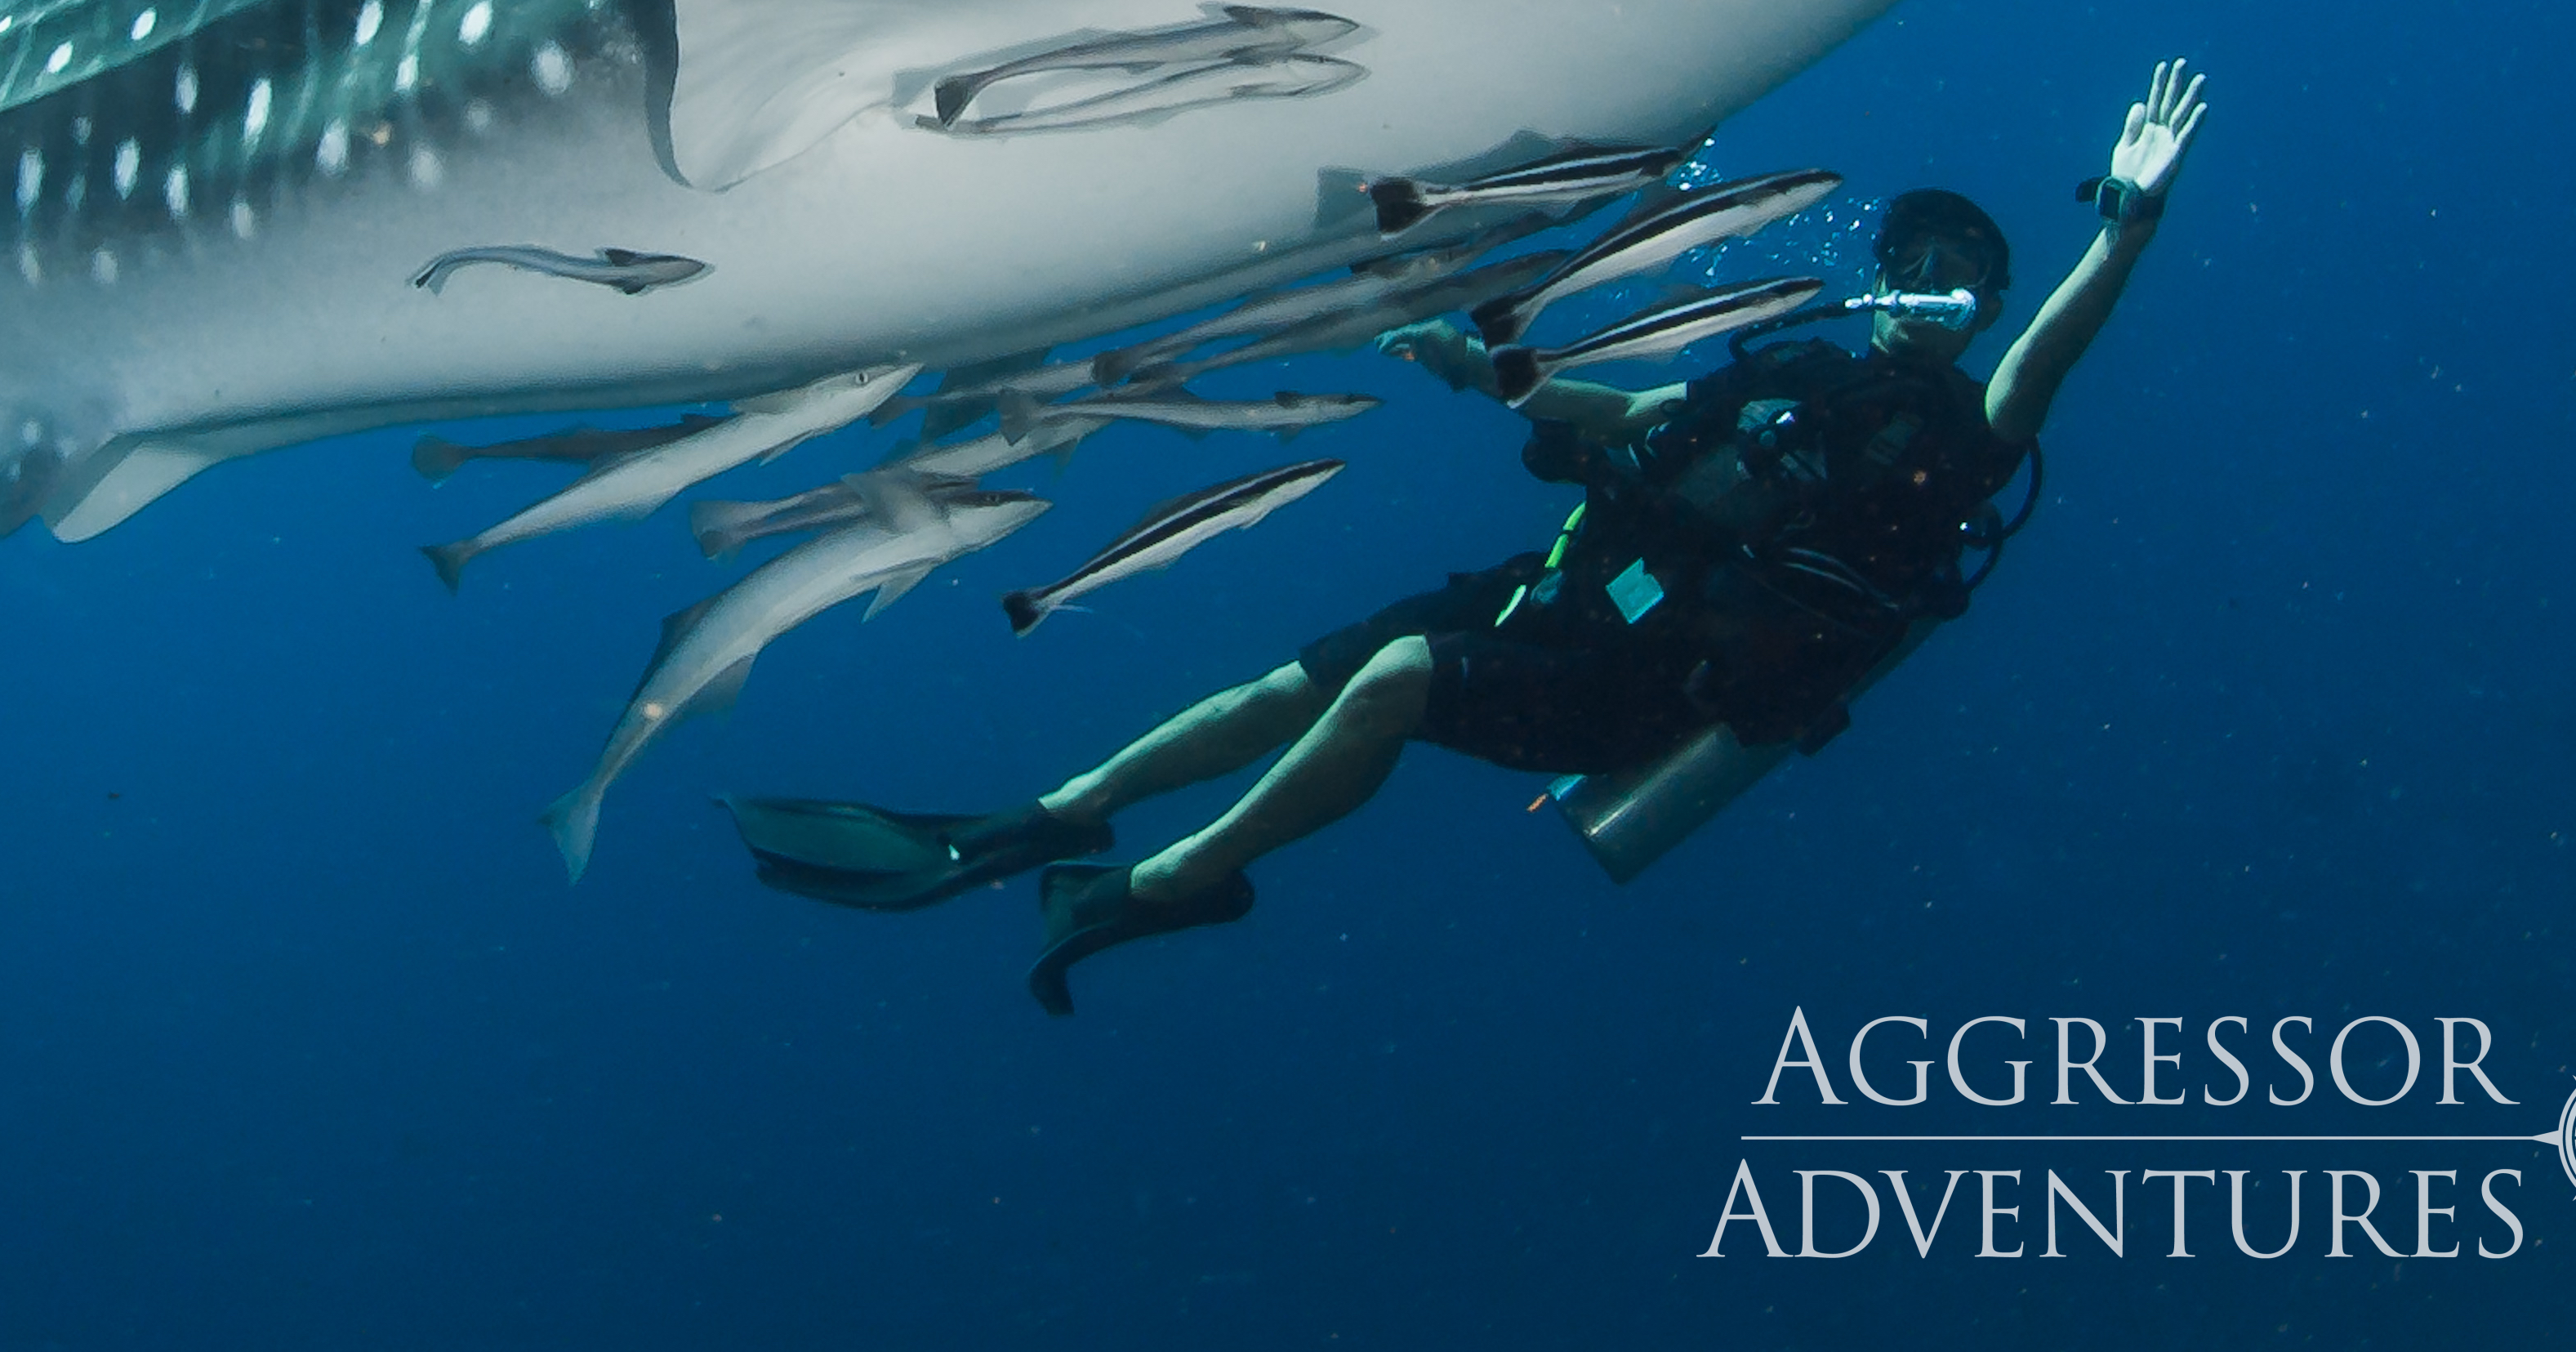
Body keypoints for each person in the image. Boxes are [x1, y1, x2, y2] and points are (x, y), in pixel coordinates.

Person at [726, 60, 2210, 1015]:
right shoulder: (1789, 362)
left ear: (1987, 308)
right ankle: (1049, 817)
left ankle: (1178, 880)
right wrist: (1476, 362)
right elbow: (1628, 413)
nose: (1926, 288)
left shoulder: (1967, 432)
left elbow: (2048, 362)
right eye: (1910, 265)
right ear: (1875, 278)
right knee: (1291, 685)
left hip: (1654, 681)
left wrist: (2123, 229)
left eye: (1962, 278)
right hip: (1564, 592)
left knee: (1392, 687)